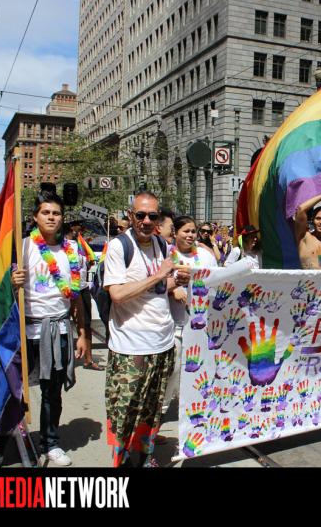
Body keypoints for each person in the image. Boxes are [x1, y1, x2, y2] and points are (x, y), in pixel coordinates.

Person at [0, 191, 89, 467]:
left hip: (58, 331)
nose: (51, 217)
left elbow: (77, 297)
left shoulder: (73, 250)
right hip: (23, 332)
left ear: (62, 218)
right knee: (10, 391)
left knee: (52, 393)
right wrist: (12, 282)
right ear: (35, 217)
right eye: (46, 212)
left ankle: (51, 443)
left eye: (56, 213)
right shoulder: (21, 247)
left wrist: (82, 333)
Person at [102, 191, 190, 467]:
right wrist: (159, 275)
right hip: (131, 347)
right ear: (131, 216)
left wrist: (177, 281)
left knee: (151, 412)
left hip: (162, 342)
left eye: (152, 215)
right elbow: (117, 294)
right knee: (125, 411)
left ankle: (145, 457)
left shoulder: (161, 245)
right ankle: (123, 462)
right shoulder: (119, 247)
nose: (146, 221)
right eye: (140, 215)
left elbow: (160, 288)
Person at [163, 215, 218, 413]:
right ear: (175, 233)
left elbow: (217, 282)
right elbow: (155, 284)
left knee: (199, 368)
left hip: (200, 323)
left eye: (193, 231)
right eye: (185, 231)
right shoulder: (165, 254)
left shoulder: (205, 256)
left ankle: (195, 409)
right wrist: (173, 290)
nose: (190, 235)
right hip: (174, 323)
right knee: (174, 369)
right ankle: (162, 410)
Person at [65, 222, 102, 371]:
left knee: (86, 325)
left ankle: (88, 360)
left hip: (82, 288)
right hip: (67, 290)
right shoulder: (61, 245)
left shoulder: (81, 244)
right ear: (70, 228)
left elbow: (89, 262)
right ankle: (64, 362)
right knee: (63, 325)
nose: (80, 229)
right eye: (78, 227)